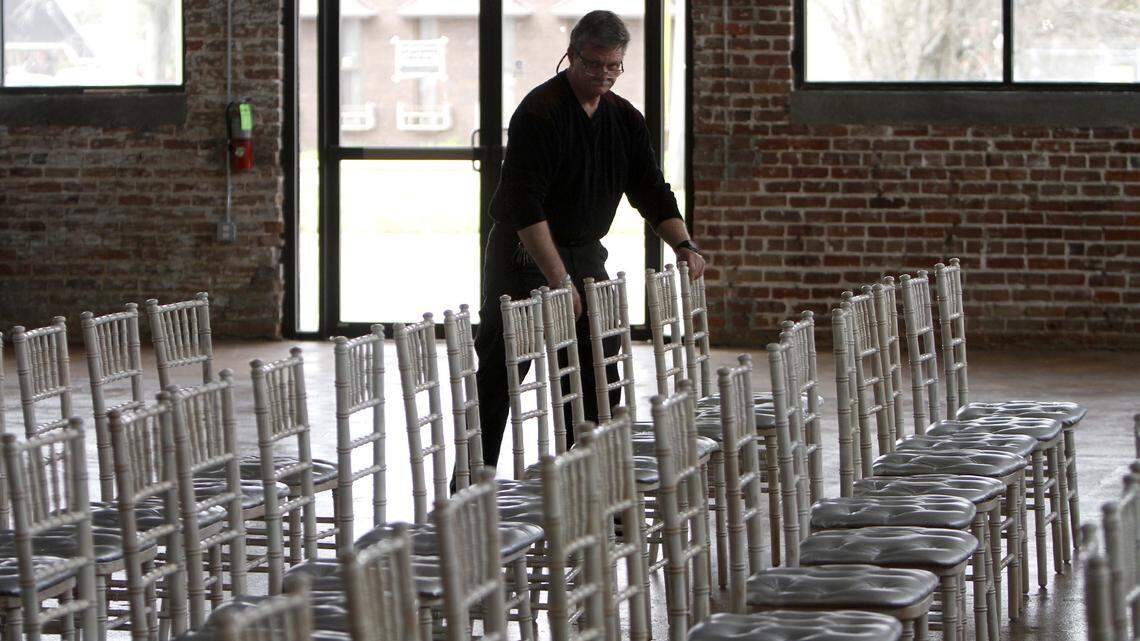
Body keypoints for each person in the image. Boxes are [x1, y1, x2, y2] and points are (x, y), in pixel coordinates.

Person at [474, 9, 706, 470]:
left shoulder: (624, 119)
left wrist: (684, 244)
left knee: (598, 373)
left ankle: (588, 485)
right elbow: (525, 206)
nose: (602, 75)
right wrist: (559, 281)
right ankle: (470, 489)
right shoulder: (539, 113)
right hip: (524, 254)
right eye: (592, 64)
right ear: (571, 56)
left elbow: (651, 188)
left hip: (584, 252)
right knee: (502, 374)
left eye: (612, 66)